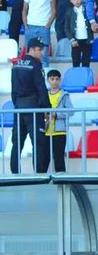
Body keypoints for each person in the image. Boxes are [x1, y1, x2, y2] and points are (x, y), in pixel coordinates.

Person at [10, 37, 51, 174]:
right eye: (39, 50)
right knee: (38, 143)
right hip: (33, 107)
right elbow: (41, 88)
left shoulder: (16, 65)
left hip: (19, 107)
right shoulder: (35, 65)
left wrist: (17, 105)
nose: (42, 53)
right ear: (31, 49)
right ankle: (39, 174)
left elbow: (13, 90)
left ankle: (15, 175)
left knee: (17, 143)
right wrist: (48, 109)